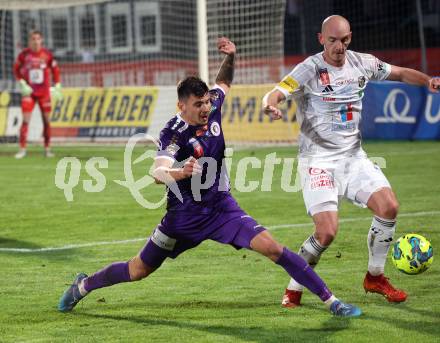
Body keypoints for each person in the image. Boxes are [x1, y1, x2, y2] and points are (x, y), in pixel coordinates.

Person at [58, 37, 361, 317]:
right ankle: (83, 286)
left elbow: (224, 82)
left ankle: (332, 302)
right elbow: (156, 172)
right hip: (183, 218)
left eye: (206, 102)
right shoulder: (173, 133)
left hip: (221, 209)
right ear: (181, 106)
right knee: (138, 270)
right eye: (198, 104)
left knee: (273, 248)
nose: (205, 108)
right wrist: (180, 171)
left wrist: (230, 57)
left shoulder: (213, 104)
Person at [262, 15, 440, 308]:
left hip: (353, 158)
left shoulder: (363, 62)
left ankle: (375, 277)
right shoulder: (309, 68)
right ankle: (295, 287)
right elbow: (279, 91)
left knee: (389, 206)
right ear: (321, 39)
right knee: (327, 232)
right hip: (317, 162)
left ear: (350, 38)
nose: (339, 47)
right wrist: (270, 104)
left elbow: (399, 73)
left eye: (344, 40)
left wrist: (427, 81)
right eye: (332, 40)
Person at [13, 30, 63, 159]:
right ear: (29, 41)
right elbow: (16, 69)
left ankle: (47, 149)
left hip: (44, 93)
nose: (35, 41)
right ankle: (22, 149)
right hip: (29, 93)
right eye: (33, 39)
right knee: (25, 120)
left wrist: (57, 84)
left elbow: (55, 70)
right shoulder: (24, 55)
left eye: (38, 39)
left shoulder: (47, 55)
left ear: (41, 40)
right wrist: (22, 82)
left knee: (46, 121)